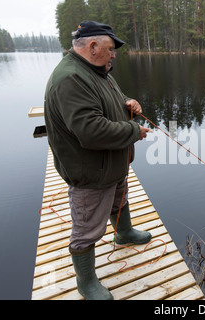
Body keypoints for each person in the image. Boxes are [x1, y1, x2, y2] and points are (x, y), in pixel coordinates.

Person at [44, 21, 152, 300]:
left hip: (111, 163)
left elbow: (108, 100)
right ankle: (86, 283)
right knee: (86, 229)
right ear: (92, 47)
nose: (114, 54)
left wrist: (128, 102)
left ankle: (124, 232)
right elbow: (90, 131)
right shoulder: (70, 79)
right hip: (90, 171)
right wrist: (133, 131)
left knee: (120, 198)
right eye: (110, 49)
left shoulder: (97, 71)